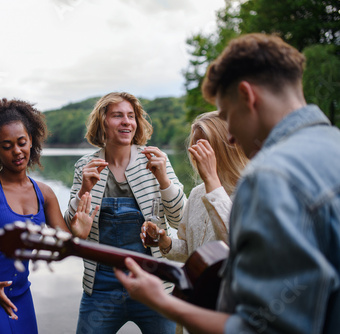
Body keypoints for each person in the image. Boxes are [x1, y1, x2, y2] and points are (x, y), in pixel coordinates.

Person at [116, 33, 340, 334]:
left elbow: (263, 328)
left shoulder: (270, 176)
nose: (231, 135)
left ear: (247, 96)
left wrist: (162, 302)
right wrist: (165, 241)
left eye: (227, 114)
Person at [0, 98, 96, 334]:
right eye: (7, 146)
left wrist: (78, 234)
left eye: (22, 142)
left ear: (32, 141)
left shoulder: (45, 194)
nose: (17, 151)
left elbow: (63, 246)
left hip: (21, 295)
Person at [63, 91, 186, 333]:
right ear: (102, 122)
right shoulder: (84, 166)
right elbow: (72, 228)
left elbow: (180, 220)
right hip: (100, 285)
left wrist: (163, 179)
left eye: (131, 116)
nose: (126, 122)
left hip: (154, 282)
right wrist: (84, 191)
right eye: (117, 115)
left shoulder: (157, 160)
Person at [142, 111, 247, 263]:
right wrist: (164, 241)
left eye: (204, 145)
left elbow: (235, 245)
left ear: (226, 146)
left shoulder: (250, 192)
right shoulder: (198, 193)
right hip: (199, 286)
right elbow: (190, 250)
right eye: (195, 144)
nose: (196, 152)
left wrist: (212, 179)